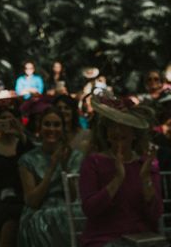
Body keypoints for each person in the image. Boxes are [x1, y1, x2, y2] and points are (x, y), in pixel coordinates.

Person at [79, 95, 162, 247]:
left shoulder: (146, 163)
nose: (117, 130)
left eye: (124, 125)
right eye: (112, 125)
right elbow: (90, 210)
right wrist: (118, 179)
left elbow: (155, 215)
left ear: (134, 133)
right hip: (103, 239)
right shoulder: (93, 163)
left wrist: (145, 180)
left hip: (141, 239)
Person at [17, 107, 84, 247]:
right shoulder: (27, 160)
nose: (51, 129)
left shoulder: (75, 156)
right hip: (39, 211)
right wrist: (52, 167)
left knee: (78, 216)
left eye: (56, 125)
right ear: (40, 128)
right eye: (47, 124)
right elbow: (32, 201)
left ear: (63, 128)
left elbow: (73, 197)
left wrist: (64, 166)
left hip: (66, 208)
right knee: (44, 220)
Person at [0, 98, 32, 247]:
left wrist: (20, 133)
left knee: (22, 214)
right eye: (3, 119)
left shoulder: (22, 145)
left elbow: (31, 158)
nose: (7, 122)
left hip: (18, 198)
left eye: (11, 119)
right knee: (10, 220)